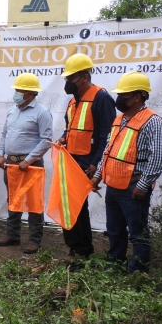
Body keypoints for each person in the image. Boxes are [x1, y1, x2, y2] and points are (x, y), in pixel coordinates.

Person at [92, 72, 162, 273]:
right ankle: (115, 264)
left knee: (137, 232)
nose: (120, 98)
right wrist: (98, 174)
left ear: (139, 96)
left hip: (134, 187)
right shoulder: (119, 119)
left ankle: (138, 272)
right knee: (115, 230)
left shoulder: (152, 122)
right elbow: (108, 150)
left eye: (125, 94)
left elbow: (158, 157)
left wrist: (142, 185)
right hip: (114, 185)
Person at [57, 54, 115, 261]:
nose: (67, 83)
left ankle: (81, 249)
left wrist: (95, 163)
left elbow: (107, 136)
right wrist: (64, 138)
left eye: (70, 78)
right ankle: (77, 247)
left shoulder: (101, 98)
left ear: (84, 76)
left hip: (86, 163)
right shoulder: (73, 102)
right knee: (70, 205)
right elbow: (70, 128)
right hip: (71, 161)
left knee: (76, 205)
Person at [0, 74, 53, 254]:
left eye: (19, 90)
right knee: (13, 199)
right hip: (11, 165)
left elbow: (46, 140)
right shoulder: (13, 110)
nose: (16, 93)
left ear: (30, 93)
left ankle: (34, 240)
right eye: (16, 90)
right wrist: (0, 154)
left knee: (34, 202)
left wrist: (28, 161)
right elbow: (5, 134)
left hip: (31, 165)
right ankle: (13, 235)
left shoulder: (42, 112)